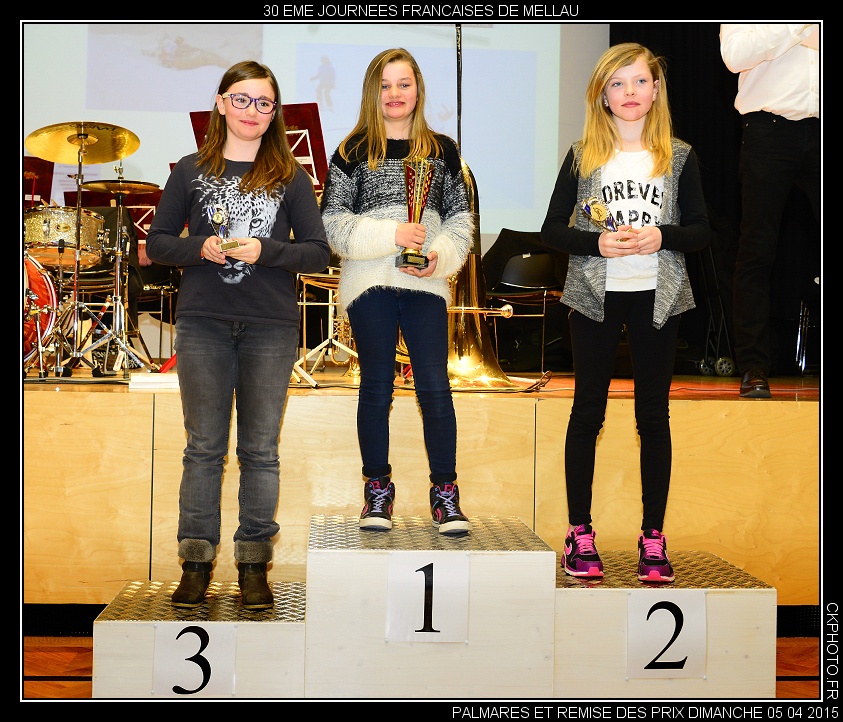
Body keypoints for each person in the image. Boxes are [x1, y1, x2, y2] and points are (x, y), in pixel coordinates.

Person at [146, 60, 331, 609]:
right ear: (222, 102)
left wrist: (265, 250)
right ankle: (196, 562)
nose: (253, 111)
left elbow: (318, 252)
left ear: (274, 113)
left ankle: (253, 565)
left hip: (270, 327)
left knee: (259, 451)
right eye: (243, 99)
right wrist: (199, 246)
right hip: (203, 322)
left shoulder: (291, 176)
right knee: (203, 448)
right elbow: (158, 244)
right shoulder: (189, 170)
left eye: (264, 103)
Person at [540, 42, 710, 583]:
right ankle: (579, 533)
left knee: (652, 416)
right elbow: (552, 229)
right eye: (617, 84)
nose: (629, 92)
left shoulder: (679, 156)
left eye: (639, 81)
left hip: (657, 296)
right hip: (596, 294)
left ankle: (653, 537)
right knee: (587, 411)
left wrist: (662, 235)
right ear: (602, 96)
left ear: (656, 90)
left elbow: (702, 231)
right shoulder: (582, 154)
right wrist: (596, 244)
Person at [320, 47, 473, 536]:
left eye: (403, 84)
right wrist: (393, 235)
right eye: (385, 85)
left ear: (418, 89)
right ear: (373, 91)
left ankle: (445, 493)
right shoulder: (351, 151)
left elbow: (461, 220)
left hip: (426, 281)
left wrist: (439, 256)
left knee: (435, 387)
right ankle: (377, 491)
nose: (394, 93)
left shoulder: (443, 151)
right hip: (370, 282)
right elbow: (333, 225)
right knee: (376, 386)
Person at [719, 24, 820, 398]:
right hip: (768, 128)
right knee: (756, 251)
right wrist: (797, 27)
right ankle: (753, 366)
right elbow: (735, 56)